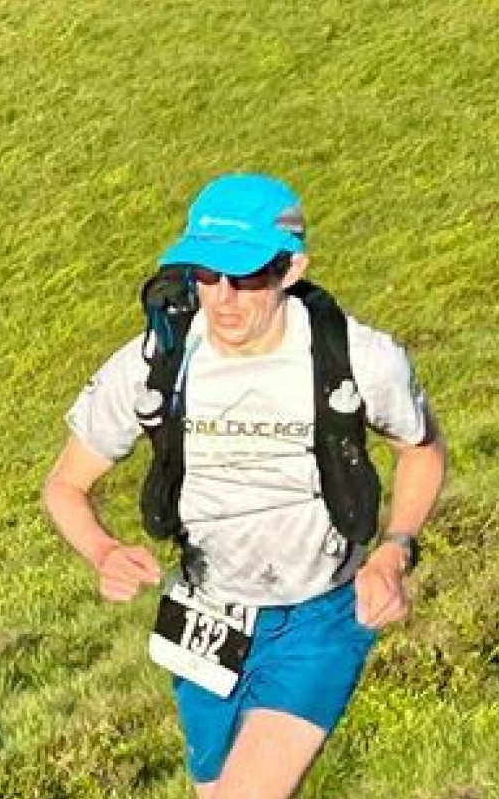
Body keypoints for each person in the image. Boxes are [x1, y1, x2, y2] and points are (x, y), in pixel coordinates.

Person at [43, 172, 447, 799]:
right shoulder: (156, 361)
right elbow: (65, 485)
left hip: (319, 615)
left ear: (292, 268)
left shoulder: (358, 357)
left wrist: (394, 550)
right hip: (204, 617)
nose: (224, 298)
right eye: (206, 275)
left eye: (247, 275)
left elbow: (420, 450)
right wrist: (103, 552)